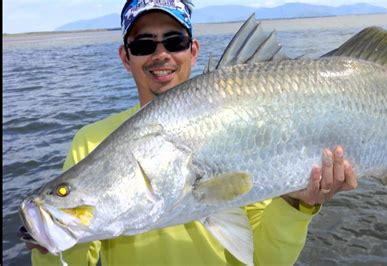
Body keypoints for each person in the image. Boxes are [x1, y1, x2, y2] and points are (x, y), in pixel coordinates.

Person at [28, 0, 357, 265]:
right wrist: (50, 242)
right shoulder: (90, 142)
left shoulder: (252, 122)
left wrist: (296, 204)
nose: (161, 54)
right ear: (125, 58)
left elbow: (264, 259)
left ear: (193, 50)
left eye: (174, 41)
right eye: (143, 44)